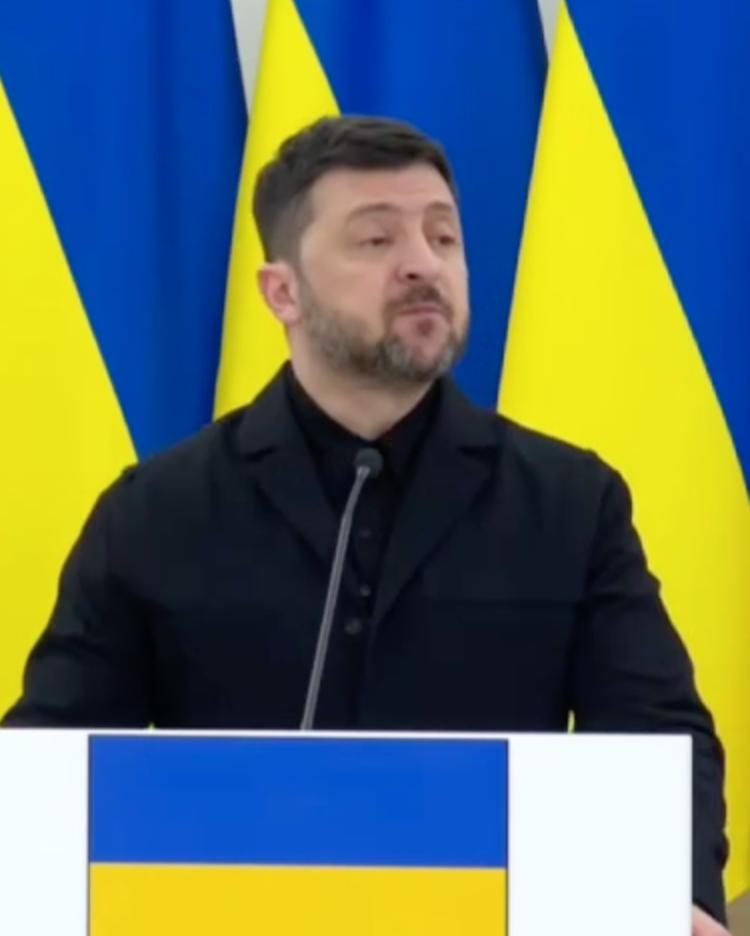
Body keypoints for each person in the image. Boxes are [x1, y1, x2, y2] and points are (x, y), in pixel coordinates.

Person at [3, 116, 729, 933]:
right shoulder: (157, 512)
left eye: (443, 237)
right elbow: (52, 756)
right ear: (282, 293)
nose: (423, 263)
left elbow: (657, 733)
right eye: (377, 240)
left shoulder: (569, 501)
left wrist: (677, 893)